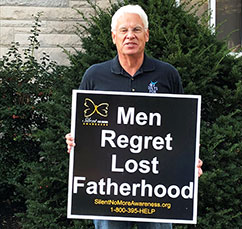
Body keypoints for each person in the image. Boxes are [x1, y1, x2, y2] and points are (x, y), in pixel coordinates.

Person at [66, 4, 203, 229]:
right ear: (114, 37)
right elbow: (83, 126)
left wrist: (189, 158)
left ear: (146, 35)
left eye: (137, 30)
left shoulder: (167, 75)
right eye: (123, 30)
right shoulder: (94, 76)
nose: (130, 35)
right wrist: (75, 138)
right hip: (108, 187)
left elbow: (180, 127)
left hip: (157, 187)